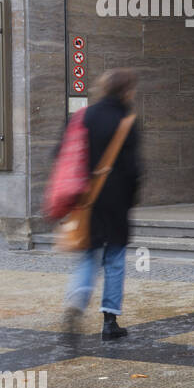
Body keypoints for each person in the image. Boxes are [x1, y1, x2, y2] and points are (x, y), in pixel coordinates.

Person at [61, 68, 142, 339]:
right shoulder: (126, 120)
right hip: (117, 201)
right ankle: (109, 322)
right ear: (126, 91)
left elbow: (63, 155)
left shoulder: (83, 116)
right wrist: (131, 199)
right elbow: (133, 169)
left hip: (87, 199)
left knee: (88, 256)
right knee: (115, 260)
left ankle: (75, 302)